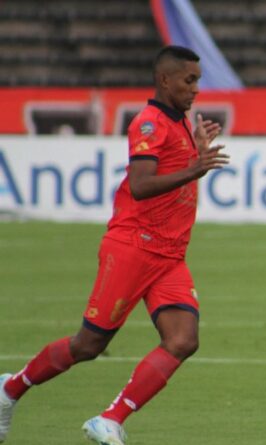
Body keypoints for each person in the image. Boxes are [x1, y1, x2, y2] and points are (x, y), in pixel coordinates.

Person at [0, 45, 228, 445]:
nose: (196, 89)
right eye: (189, 80)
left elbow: (177, 178)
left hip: (170, 257)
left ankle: (111, 419)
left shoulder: (179, 123)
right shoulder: (149, 123)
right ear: (165, 80)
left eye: (197, 80)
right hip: (133, 247)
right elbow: (140, 186)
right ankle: (10, 390)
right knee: (88, 345)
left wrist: (198, 153)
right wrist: (194, 167)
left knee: (183, 340)